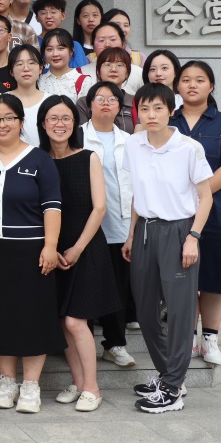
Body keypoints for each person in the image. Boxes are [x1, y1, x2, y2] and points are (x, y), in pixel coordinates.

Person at [124, 83, 214, 413]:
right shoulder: (134, 144)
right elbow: (138, 192)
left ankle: (173, 388)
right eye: (145, 108)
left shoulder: (188, 148)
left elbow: (206, 197)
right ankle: (169, 375)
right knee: (145, 311)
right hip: (145, 231)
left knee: (178, 312)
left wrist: (193, 237)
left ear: (171, 110)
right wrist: (131, 235)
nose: (151, 115)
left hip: (179, 231)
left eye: (158, 108)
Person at [0, 94, 64, 414]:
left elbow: (52, 206)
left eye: (8, 118)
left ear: (21, 122)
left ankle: (30, 385)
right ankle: (6, 382)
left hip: (31, 252)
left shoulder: (39, 160)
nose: (2, 124)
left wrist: (50, 246)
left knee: (32, 317)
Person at [38, 96, 119, 412]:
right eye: (53, 118)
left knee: (74, 320)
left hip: (86, 248)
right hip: (53, 250)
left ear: (75, 123)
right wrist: (52, 248)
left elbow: (99, 208)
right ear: (43, 123)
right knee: (62, 320)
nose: (59, 124)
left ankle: (93, 388)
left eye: (66, 118)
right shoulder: (39, 160)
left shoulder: (89, 158)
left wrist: (77, 248)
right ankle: (78, 382)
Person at [172, 61, 221, 366]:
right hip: (173, 208)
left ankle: (210, 338)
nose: (192, 85)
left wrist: (198, 196)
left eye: (200, 80)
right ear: (177, 86)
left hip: (216, 205)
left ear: (211, 86)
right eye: (186, 79)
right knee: (183, 274)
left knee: (215, 273)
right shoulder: (168, 121)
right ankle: (188, 337)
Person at [81, 81, 138, 367]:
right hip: (84, 226)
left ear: (119, 106)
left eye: (112, 99)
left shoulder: (131, 141)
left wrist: (132, 232)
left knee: (116, 287)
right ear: (89, 104)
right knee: (83, 287)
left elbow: (138, 187)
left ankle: (115, 344)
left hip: (119, 225)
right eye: (99, 98)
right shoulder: (77, 136)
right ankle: (78, 346)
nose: (106, 103)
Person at [75, 47, 136, 133]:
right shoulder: (84, 102)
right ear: (98, 71)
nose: (113, 69)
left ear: (127, 73)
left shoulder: (135, 101)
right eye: (107, 64)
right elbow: (82, 134)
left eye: (119, 65)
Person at [7, 44, 50, 145]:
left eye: (31, 63)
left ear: (40, 68)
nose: (26, 68)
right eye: (19, 64)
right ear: (11, 71)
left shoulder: (51, 102)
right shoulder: (1, 101)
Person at [34, 0, 90, 68]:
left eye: (53, 12)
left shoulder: (74, 45)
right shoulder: (33, 43)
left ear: (63, 15)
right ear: (37, 18)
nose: (48, 16)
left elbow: (80, 71)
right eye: (43, 13)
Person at [38, 29, 91, 99]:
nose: (55, 54)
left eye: (60, 48)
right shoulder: (38, 81)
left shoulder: (84, 81)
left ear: (71, 51)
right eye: (49, 49)